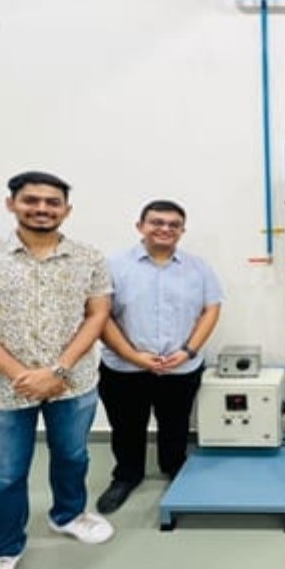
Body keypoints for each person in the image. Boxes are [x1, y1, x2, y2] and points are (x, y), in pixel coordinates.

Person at [0, 171, 115, 569]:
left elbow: (97, 315)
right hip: (1, 389)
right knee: (4, 476)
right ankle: (1, 553)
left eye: (52, 202)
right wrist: (22, 376)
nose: (42, 208)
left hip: (72, 383)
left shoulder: (90, 258)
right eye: (31, 200)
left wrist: (58, 370)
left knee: (73, 456)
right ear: (11, 204)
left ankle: (69, 515)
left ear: (66, 210)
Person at [94, 199, 222, 514]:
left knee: (175, 424)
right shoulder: (112, 266)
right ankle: (127, 476)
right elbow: (100, 316)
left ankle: (174, 468)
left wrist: (188, 351)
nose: (165, 229)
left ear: (182, 231)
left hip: (181, 366)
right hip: (124, 367)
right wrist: (133, 356)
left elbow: (211, 309)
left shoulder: (198, 268)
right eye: (157, 222)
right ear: (140, 226)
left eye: (173, 224)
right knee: (126, 426)